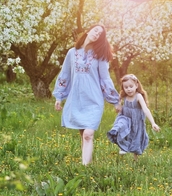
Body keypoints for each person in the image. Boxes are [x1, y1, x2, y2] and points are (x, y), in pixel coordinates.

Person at [53, 25, 121, 165]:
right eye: (96, 30)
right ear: (88, 31)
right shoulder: (72, 53)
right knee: (83, 135)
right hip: (77, 99)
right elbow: (64, 74)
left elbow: (105, 78)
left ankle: (85, 168)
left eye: (100, 34)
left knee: (88, 134)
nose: (97, 34)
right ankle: (86, 165)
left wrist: (115, 101)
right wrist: (59, 97)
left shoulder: (100, 55)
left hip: (94, 100)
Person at [107, 74, 160, 160]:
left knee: (136, 139)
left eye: (131, 86)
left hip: (136, 122)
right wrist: (118, 106)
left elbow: (145, 109)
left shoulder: (138, 96)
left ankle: (135, 160)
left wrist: (153, 123)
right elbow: (117, 102)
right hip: (125, 118)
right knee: (120, 127)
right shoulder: (123, 95)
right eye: (126, 87)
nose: (128, 89)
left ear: (136, 85)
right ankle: (122, 147)